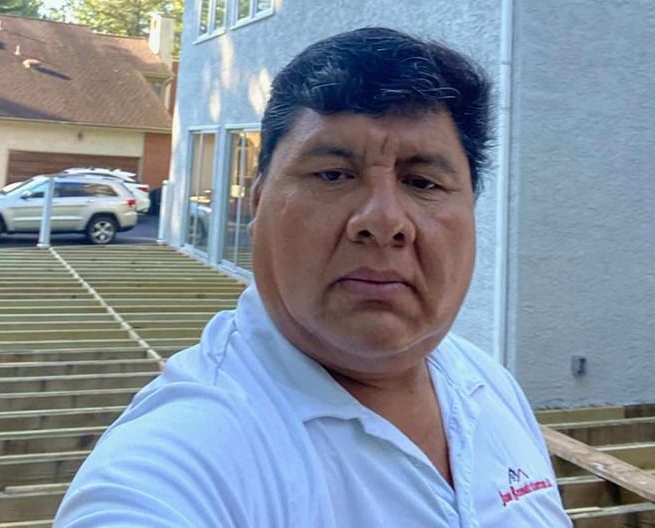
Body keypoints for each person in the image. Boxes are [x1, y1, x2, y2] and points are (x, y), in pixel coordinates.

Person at [54, 27, 572, 527]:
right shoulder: (184, 455)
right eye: (333, 175)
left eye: (422, 181)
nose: (384, 221)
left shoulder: (488, 388)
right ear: (258, 203)